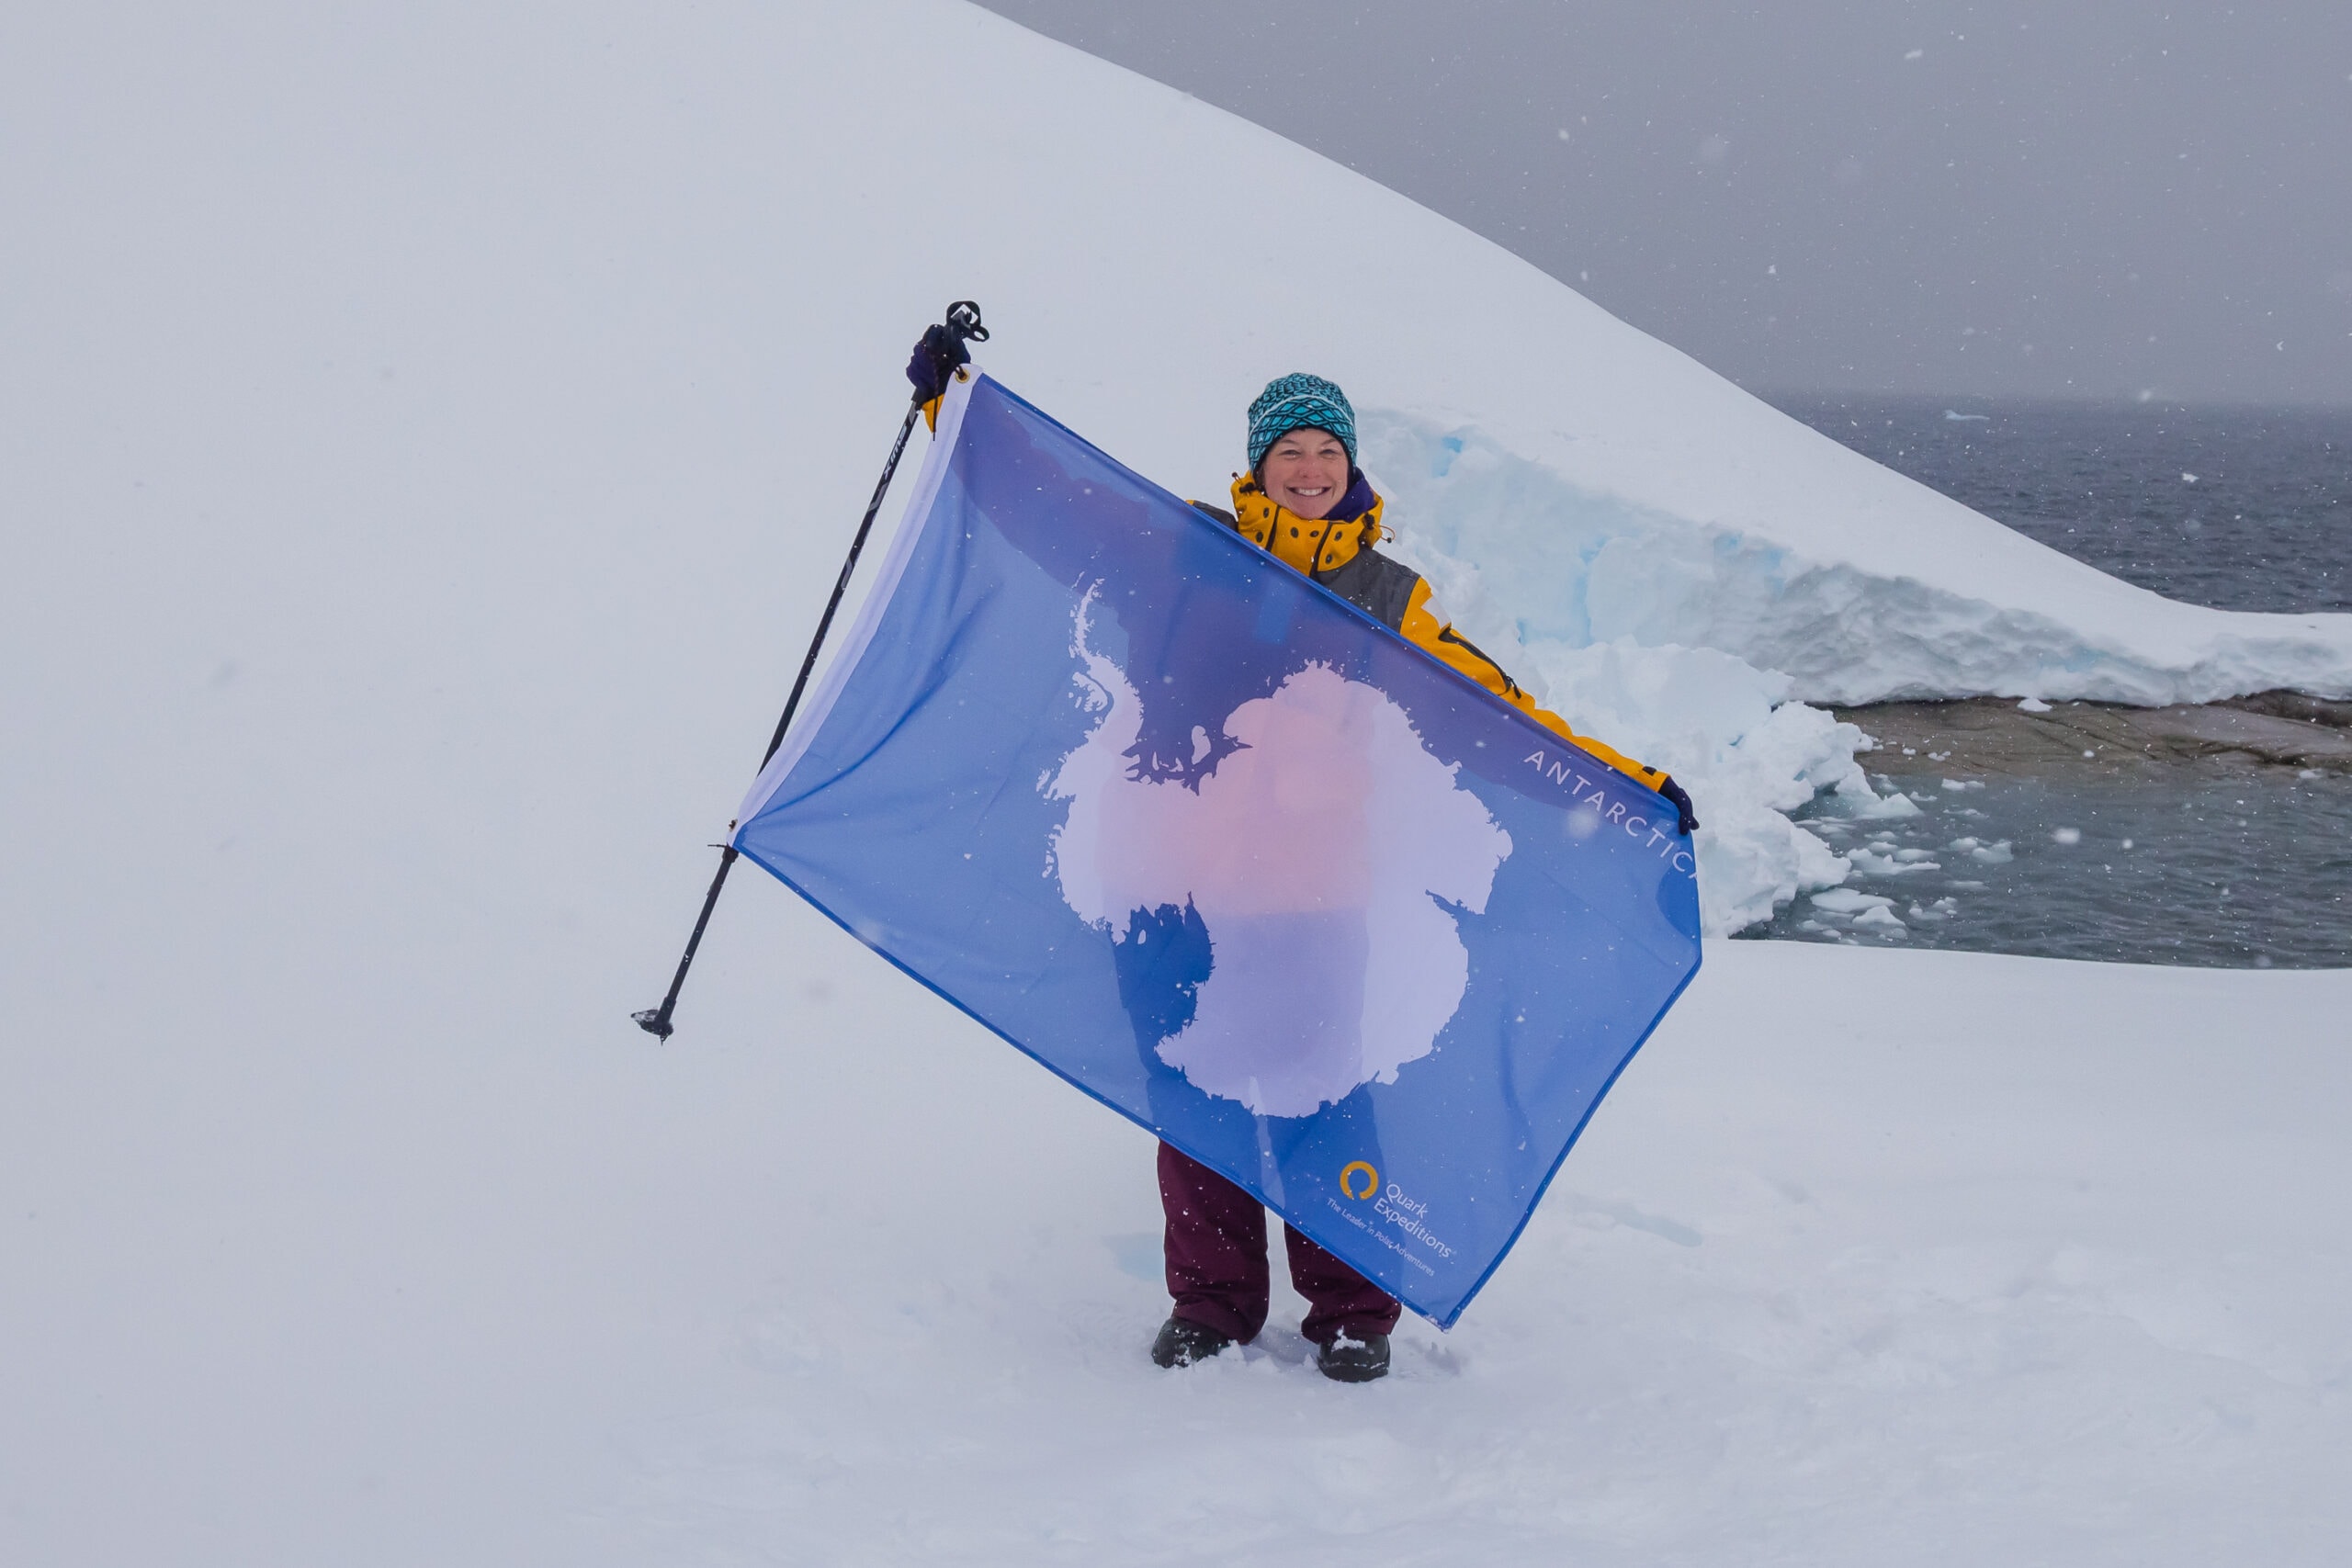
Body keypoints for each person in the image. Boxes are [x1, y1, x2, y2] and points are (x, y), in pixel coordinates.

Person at [1141, 374, 1694, 1384]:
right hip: (1182, 878)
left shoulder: (1390, 601)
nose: (1309, 472)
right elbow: (1038, 510)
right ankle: (1211, 1306)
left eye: (1328, 453)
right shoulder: (1194, 549)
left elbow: (1501, 716)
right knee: (1196, 1102)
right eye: (1290, 452)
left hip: (1312, 892)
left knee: (1323, 1101)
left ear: (1351, 469)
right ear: (1257, 464)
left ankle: (1351, 1312)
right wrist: (945, 405)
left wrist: (1632, 787)